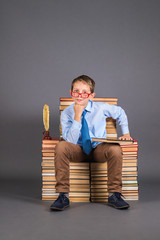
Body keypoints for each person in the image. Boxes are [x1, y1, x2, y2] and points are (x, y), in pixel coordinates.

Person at [50, 75, 133, 211]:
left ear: (91, 95)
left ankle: (114, 194)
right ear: (71, 93)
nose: (80, 95)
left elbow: (120, 112)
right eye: (76, 91)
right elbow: (70, 140)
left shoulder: (100, 108)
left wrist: (126, 133)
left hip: (98, 149)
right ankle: (62, 195)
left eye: (84, 92)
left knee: (115, 149)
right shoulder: (67, 113)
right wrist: (77, 115)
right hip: (77, 150)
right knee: (61, 146)